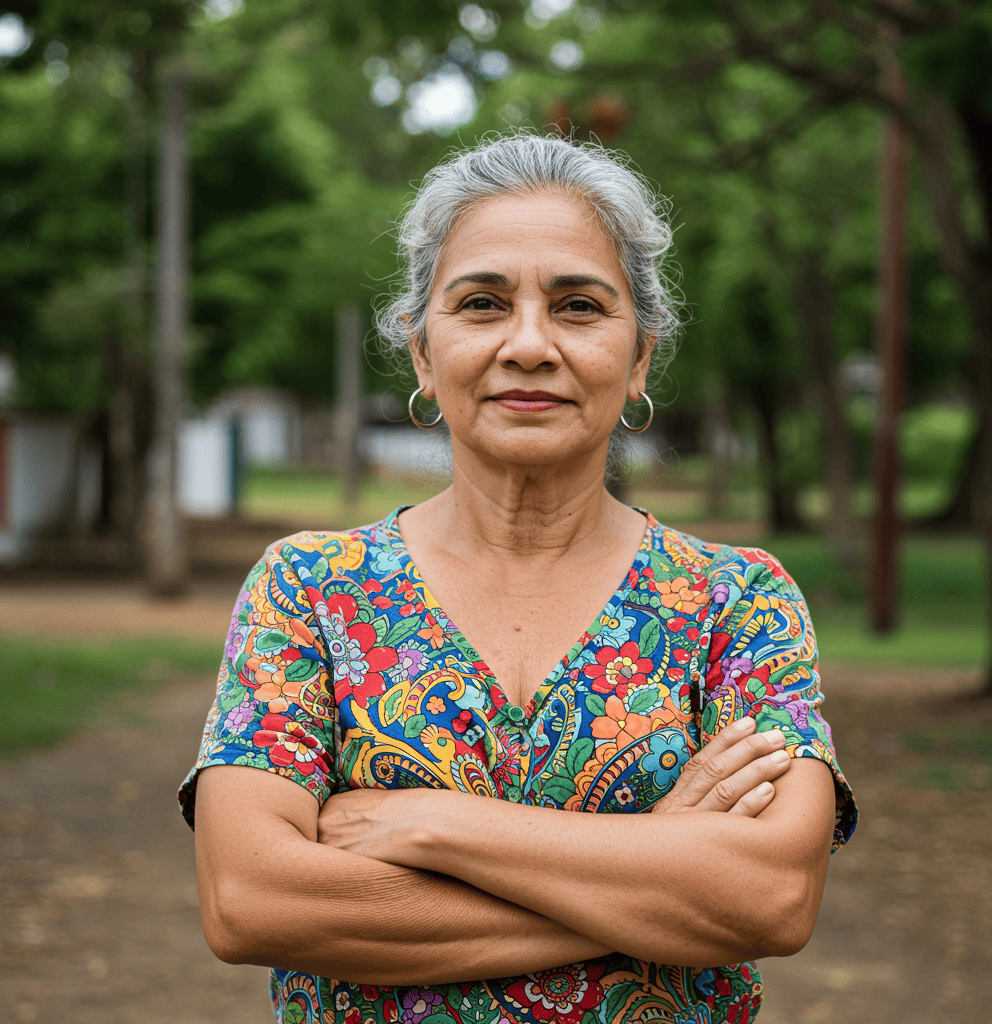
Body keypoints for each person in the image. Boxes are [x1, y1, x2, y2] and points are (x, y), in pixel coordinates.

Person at [179, 132, 856, 1024]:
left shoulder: (738, 601)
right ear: (424, 352)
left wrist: (431, 827)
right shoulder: (310, 590)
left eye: (578, 306)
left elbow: (770, 899)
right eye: (482, 303)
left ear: (640, 356)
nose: (530, 344)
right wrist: (655, 869)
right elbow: (251, 902)